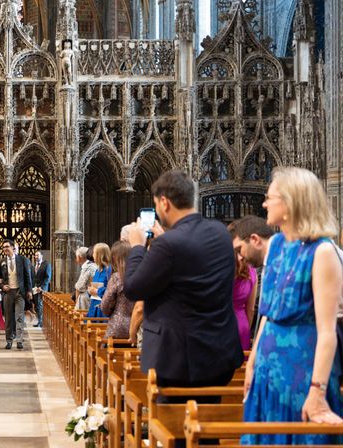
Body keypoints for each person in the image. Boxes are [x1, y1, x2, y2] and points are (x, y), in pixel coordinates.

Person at [243, 167, 343, 444]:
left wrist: (317, 391)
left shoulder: (322, 252)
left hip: (301, 367)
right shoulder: (275, 245)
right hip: (267, 365)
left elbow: (327, 331)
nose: (264, 203)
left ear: (290, 203)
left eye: (269, 197)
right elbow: (267, 313)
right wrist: (253, 362)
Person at [122, 170, 243, 393]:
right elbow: (191, 269)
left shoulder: (169, 245)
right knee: (210, 419)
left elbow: (133, 287)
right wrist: (164, 241)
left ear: (165, 203)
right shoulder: (220, 233)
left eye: (157, 204)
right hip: (219, 354)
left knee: (173, 425)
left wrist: (138, 246)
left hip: (179, 362)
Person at [226, 223, 258, 351]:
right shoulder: (252, 272)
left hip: (220, 324)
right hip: (241, 325)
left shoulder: (219, 269)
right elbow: (250, 310)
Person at [0, 239, 33, 350]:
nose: (5, 249)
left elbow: (27, 276)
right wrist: (2, 286)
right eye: (3, 247)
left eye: (7, 246)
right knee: (8, 318)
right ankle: (9, 341)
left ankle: (19, 340)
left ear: (13, 247)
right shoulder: (2, 262)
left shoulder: (22, 260)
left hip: (19, 292)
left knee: (19, 317)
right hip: (8, 293)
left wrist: (29, 291)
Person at [101, 241, 134, 338]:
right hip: (138, 328)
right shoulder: (142, 275)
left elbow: (105, 306)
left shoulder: (117, 277)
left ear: (116, 257)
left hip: (118, 328)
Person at [86, 243, 112, 318]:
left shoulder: (109, 270)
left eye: (94, 252)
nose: (93, 255)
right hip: (94, 306)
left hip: (102, 309)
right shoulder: (98, 270)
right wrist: (90, 290)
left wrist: (97, 291)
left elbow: (111, 290)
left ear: (100, 255)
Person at [32, 251, 51, 328]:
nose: (36, 257)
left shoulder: (46, 265)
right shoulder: (34, 265)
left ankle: (41, 322)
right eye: (35, 255)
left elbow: (47, 277)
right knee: (36, 305)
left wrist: (42, 287)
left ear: (41, 256)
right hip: (35, 288)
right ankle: (39, 321)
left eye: (37, 255)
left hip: (42, 288)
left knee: (40, 305)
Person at [74, 246, 96, 311]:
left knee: (83, 319)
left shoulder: (87, 267)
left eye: (76, 256)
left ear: (79, 257)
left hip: (86, 299)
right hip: (92, 296)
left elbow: (80, 287)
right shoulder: (93, 264)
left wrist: (76, 300)